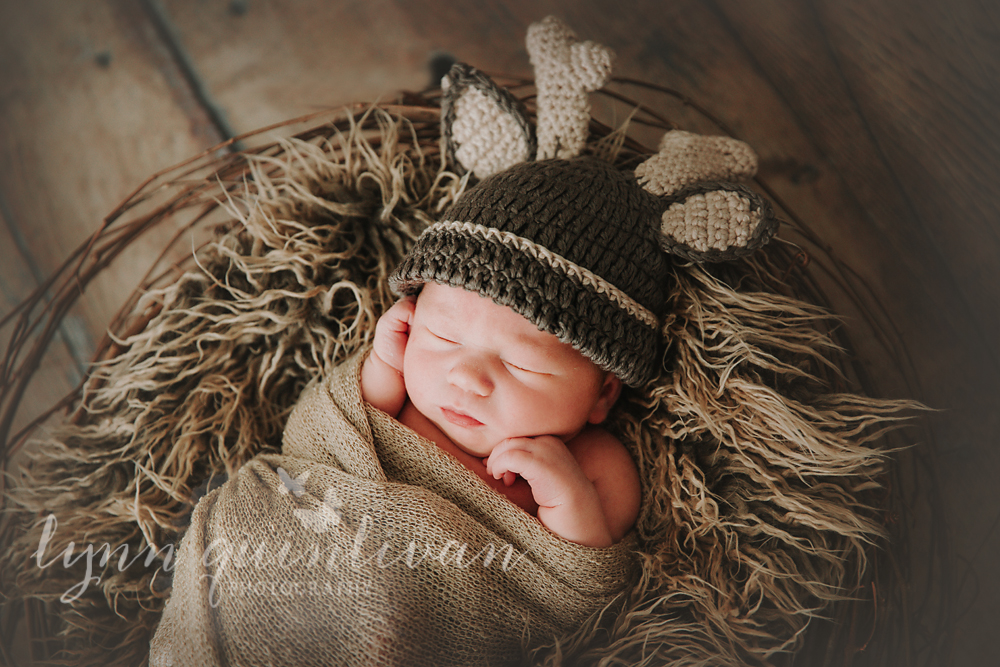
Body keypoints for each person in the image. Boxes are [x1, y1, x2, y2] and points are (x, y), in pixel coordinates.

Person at [358, 156, 675, 548]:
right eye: (442, 336)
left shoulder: (592, 465)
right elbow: (343, 428)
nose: (466, 377)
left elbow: (585, 578)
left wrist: (567, 499)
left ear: (604, 393)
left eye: (522, 364)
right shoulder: (395, 393)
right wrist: (382, 365)